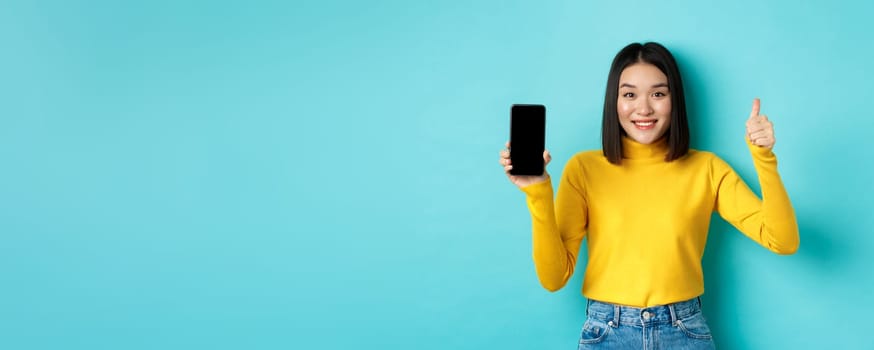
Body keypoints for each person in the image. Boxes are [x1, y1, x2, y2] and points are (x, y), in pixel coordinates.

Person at [498, 42, 799, 349]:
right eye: (629, 94)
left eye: (658, 93)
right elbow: (554, 277)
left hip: (684, 331)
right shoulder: (583, 169)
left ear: (674, 100)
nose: (643, 108)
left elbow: (783, 240)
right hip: (607, 332)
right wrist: (538, 191)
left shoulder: (707, 169)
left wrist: (763, 159)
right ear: (614, 101)